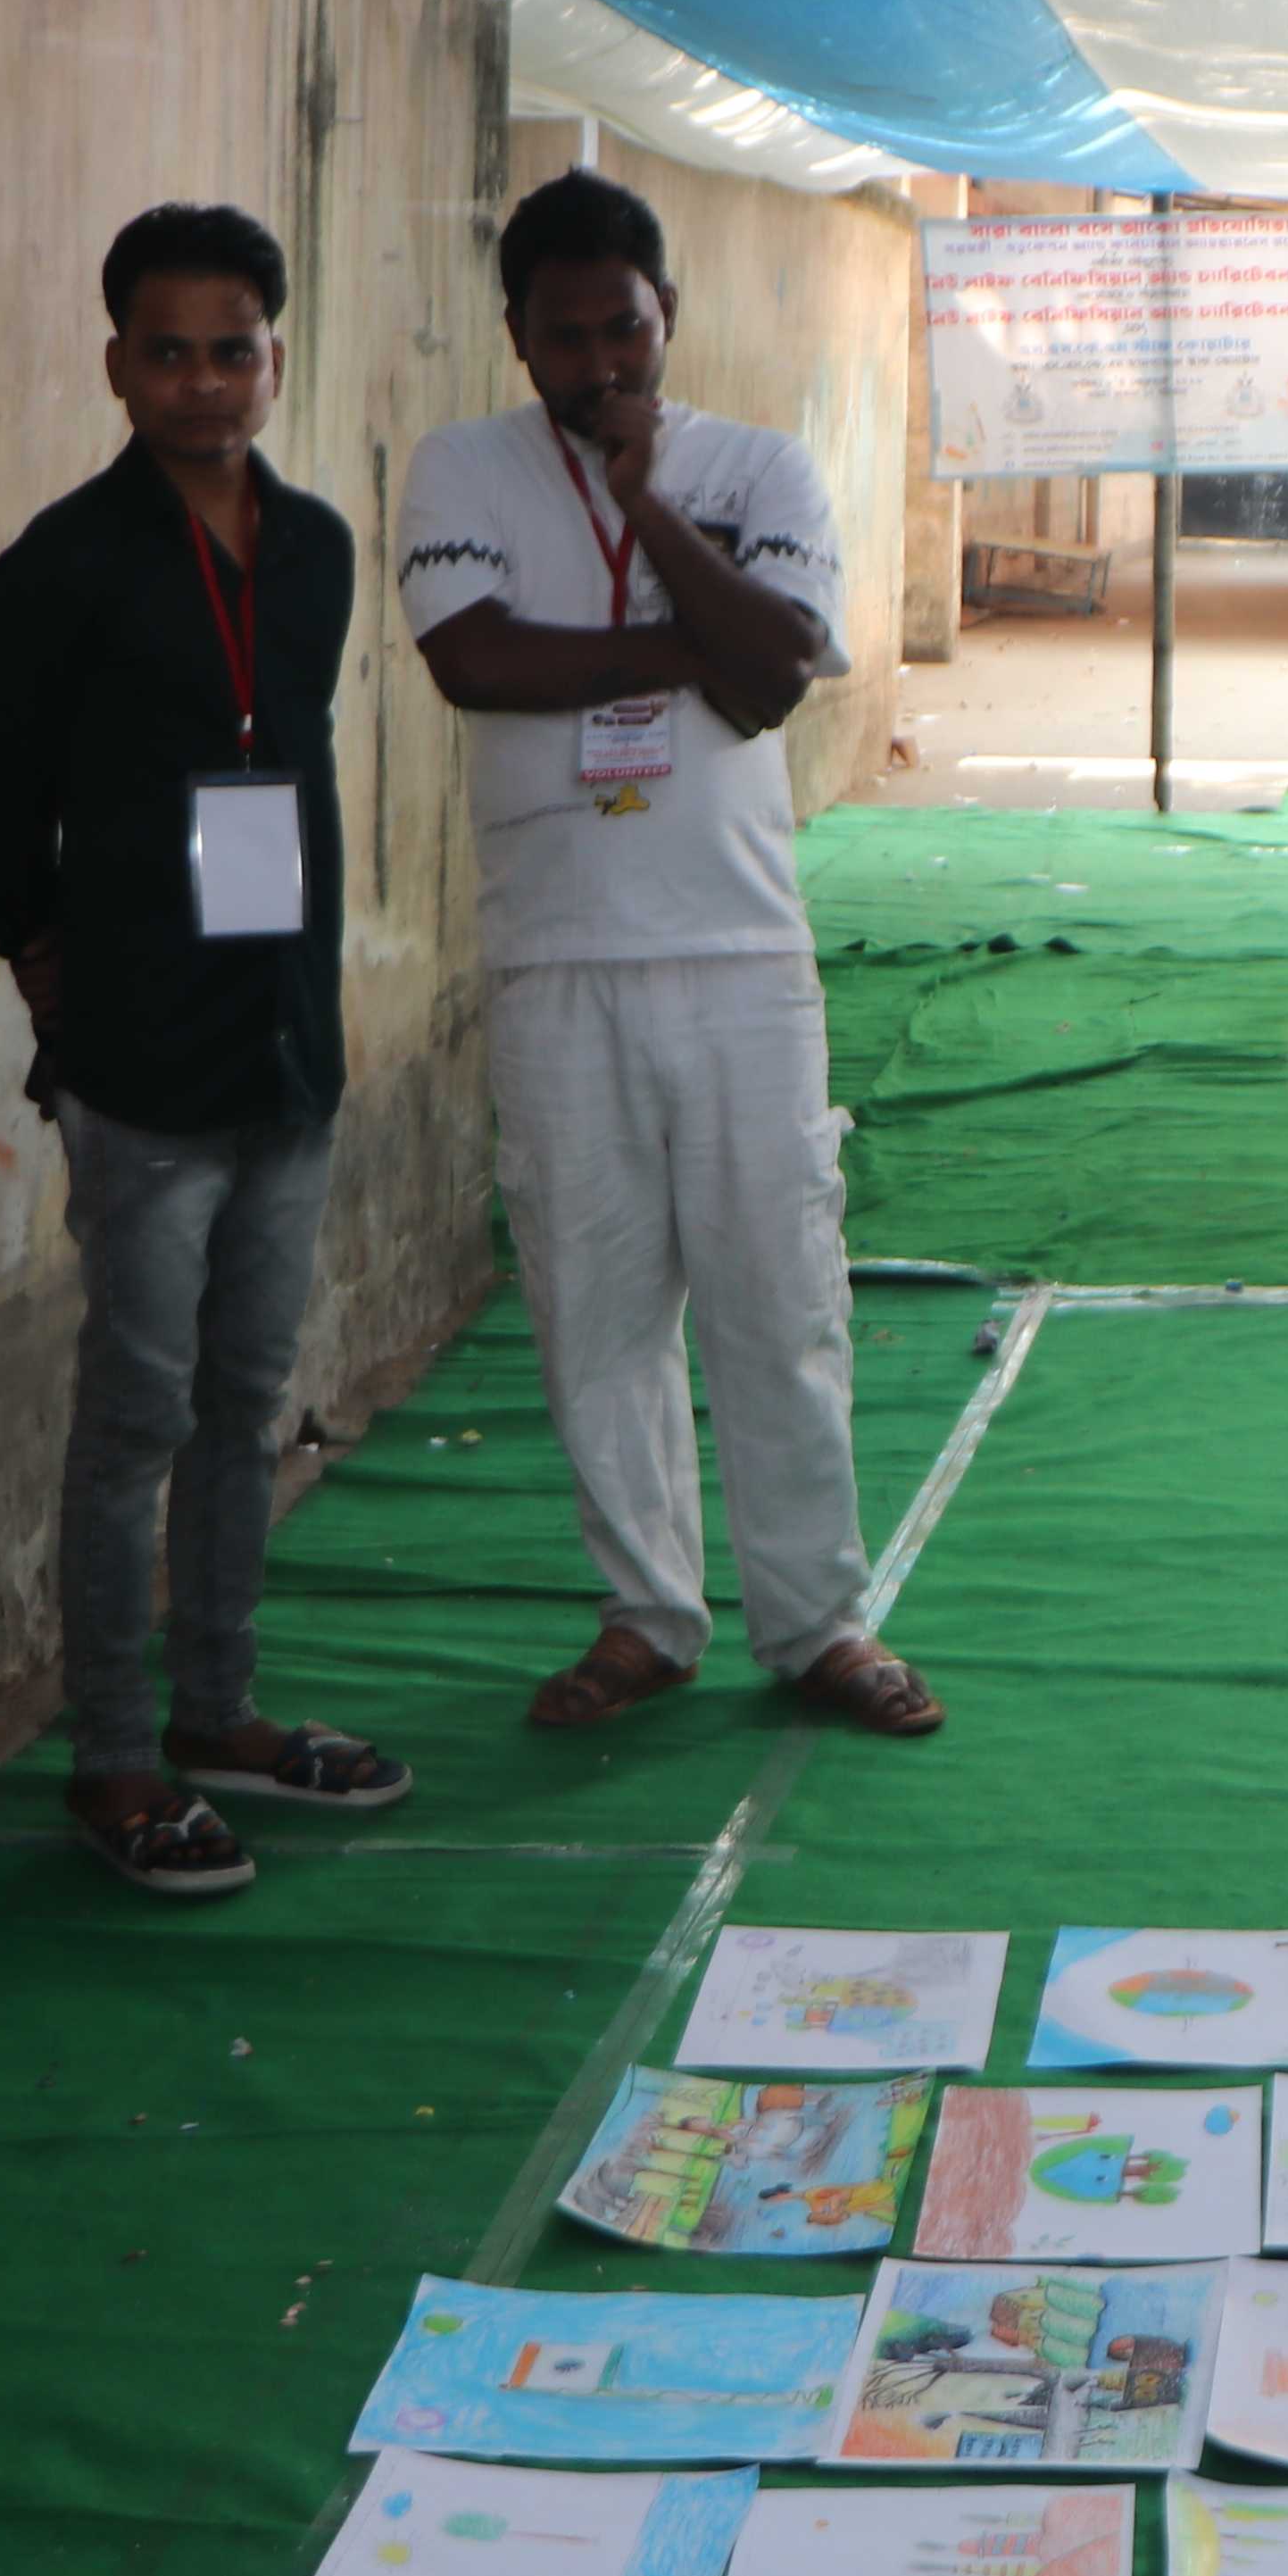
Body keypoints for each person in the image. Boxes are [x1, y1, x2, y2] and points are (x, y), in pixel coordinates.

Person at [399, 171, 939, 1739]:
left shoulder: (760, 466)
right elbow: (472, 660)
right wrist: (689, 643)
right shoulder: (462, 468)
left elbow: (774, 675)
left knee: (783, 1298)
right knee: (595, 1304)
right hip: (556, 956)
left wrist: (647, 508)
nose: (599, 365)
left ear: (667, 316)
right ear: (517, 337)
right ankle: (648, 1614)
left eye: (623, 330)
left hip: (741, 954)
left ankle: (819, 1623)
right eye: (564, 338)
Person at [0, 204, 410, 1900]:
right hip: (142, 1061)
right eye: (168, 353)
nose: (204, 383)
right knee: (134, 1411)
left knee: (248, 1398)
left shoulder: (318, 551)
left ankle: (220, 1715)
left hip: (284, 1046)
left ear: (275, 361)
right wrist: (48, 973)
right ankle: (116, 1756)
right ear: (116, 367)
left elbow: (281, 765)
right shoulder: (62, 564)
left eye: (233, 351)